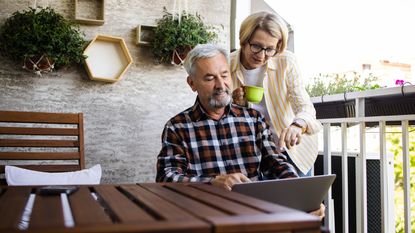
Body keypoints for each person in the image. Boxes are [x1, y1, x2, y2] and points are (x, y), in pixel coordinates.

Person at [156, 44, 324, 219]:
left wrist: (302, 194)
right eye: (209, 78)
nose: (221, 85)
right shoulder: (177, 127)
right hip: (205, 218)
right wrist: (211, 182)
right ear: (192, 83)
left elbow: (275, 162)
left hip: (255, 217)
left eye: (224, 75)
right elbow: (166, 177)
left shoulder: (254, 119)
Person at [230, 12, 323, 176]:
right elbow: (216, 112)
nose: (262, 55)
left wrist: (297, 125)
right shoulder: (227, 64)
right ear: (244, 41)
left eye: (270, 49)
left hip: (292, 151)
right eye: (256, 46)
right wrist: (233, 103)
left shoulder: (285, 61)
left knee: (300, 201)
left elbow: (305, 106)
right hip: (251, 155)